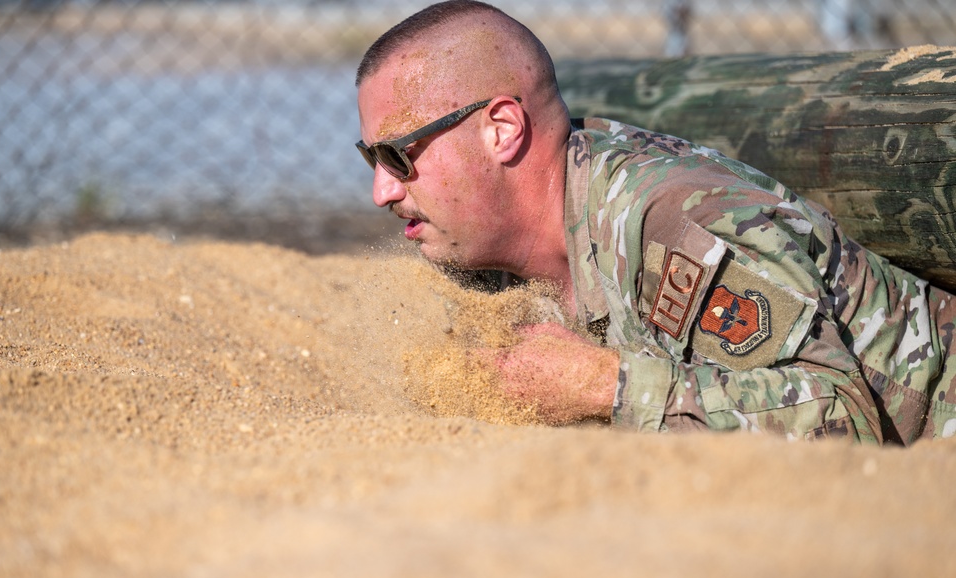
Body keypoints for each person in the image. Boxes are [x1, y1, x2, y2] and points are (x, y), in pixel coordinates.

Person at [354, 0, 956, 445]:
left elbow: (843, 416)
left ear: (502, 130)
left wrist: (604, 385)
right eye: (370, 158)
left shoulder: (671, 222)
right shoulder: (494, 260)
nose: (382, 190)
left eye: (398, 156)